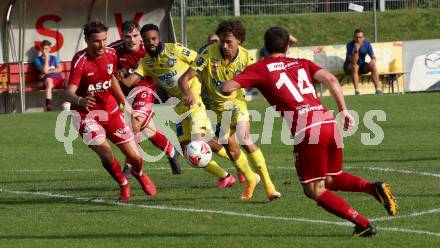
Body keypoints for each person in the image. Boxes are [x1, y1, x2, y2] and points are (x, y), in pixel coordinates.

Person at [221, 27, 398, 236]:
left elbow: (227, 88)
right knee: (331, 178)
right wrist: (344, 111)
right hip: (328, 120)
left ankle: (362, 223)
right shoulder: (302, 63)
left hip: (308, 129)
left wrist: (234, 76)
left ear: (265, 47)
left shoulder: (261, 68)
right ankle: (373, 188)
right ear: (287, 46)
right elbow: (331, 80)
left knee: (314, 189)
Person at [121, 24, 238, 191]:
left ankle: (241, 167)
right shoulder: (146, 62)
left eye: (154, 39)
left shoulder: (174, 49)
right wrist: (116, 75)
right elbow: (129, 82)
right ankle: (226, 176)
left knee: (197, 145)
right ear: (144, 42)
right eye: (147, 40)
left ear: (159, 37)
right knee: (187, 150)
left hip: (193, 99)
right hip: (179, 106)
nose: (151, 42)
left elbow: (199, 59)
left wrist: (208, 79)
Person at [179, 20, 280, 201]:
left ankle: (269, 186)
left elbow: (260, 81)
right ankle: (250, 180)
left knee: (245, 137)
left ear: (239, 40)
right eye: (222, 41)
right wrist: (187, 93)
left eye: (229, 42)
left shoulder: (246, 58)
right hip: (216, 110)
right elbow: (184, 79)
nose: (224, 46)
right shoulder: (208, 54)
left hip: (237, 103)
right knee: (232, 152)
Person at [65, 21, 156, 202]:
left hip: (111, 111)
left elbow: (111, 79)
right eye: (96, 41)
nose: (101, 45)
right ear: (87, 40)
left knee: (135, 157)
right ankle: (123, 184)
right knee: (106, 153)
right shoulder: (80, 61)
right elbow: (68, 93)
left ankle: (139, 173)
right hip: (86, 115)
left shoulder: (111, 53)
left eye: (104, 40)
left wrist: (126, 105)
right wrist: (80, 100)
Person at [108, 21, 181, 175]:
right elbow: (108, 71)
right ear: (122, 36)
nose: (132, 40)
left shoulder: (147, 48)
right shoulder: (114, 50)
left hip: (145, 89)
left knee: (135, 123)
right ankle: (171, 151)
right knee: (149, 131)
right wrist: (117, 75)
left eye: (135, 36)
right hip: (126, 93)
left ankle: (130, 165)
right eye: (128, 36)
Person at [343, 29, 382, 95]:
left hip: (361, 66)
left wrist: (373, 60)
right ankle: (357, 91)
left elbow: (373, 56)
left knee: (373, 66)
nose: (358, 39)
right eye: (356, 37)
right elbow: (354, 62)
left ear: (363, 37)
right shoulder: (350, 45)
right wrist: (356, 51)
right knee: (355, 66)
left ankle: (378, 89)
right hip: (349, 66)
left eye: (360, 37)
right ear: (354, 37)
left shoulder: (367, 44)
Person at [34, 40, 64, 111]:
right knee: (49, 82)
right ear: (41, 49)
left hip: (58, 79)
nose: (45, 51)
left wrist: (47, 72)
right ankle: (49, 106)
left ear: (50, 49)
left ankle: (70, 105)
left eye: (47, 49)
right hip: (48, 80)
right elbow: (44, 70)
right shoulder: (37, 60)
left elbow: (60, 69)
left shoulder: (54, 58)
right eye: (43, 49)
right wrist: (46, 59)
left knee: (69, 82)